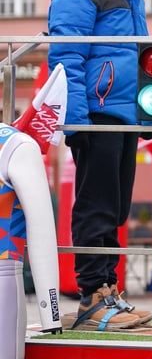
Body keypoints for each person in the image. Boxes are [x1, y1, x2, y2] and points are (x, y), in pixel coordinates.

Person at [48, 0, 152, 330]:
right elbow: (67, 61)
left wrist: (145, 119)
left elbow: (138, 61)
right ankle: (91, 297)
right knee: (95, 207)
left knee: (116, 210)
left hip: (123, 117)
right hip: (95, 116)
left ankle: (108, 292)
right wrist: (75, 123)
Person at [0, 123, 62, 358]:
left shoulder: (15, 146)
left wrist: (51, 312)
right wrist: (51, 315)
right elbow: (42, 228)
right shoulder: (16, 145)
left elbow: (41, 230)